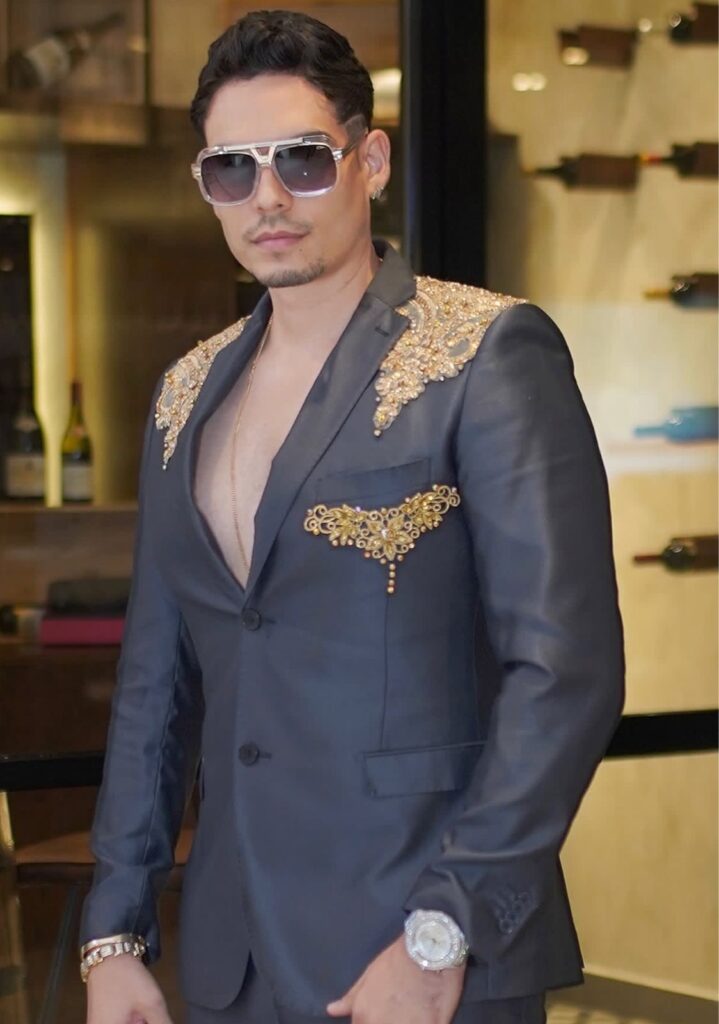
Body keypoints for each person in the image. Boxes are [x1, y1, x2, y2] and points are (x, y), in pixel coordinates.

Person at [79, 9, 625, 1024]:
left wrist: (444, 928)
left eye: (301, 159)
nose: (267, 198)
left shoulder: (483, 354)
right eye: (231, 170)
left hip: (422, 950)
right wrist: (113, 933)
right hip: (234, 955)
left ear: (368, 162)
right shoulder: (184, 394)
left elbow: (563, 672)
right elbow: (155, 688)